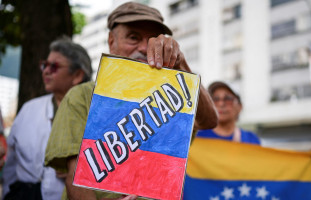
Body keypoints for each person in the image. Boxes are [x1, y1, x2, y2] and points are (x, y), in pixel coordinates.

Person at [44, 2, 218, 200]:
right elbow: (75, 176)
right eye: (133, 37)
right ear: (112, 41)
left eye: (153, 39)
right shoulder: (82, 96)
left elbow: (208, 121)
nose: (145, 48)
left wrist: (181, 65)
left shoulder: (172, 97)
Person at [2, 36, 92, 200]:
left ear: (78, 75)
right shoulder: (29, 109)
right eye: (44, 65)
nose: (46, 71)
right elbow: (12, 160)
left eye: (54, 66)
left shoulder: (94, 113)